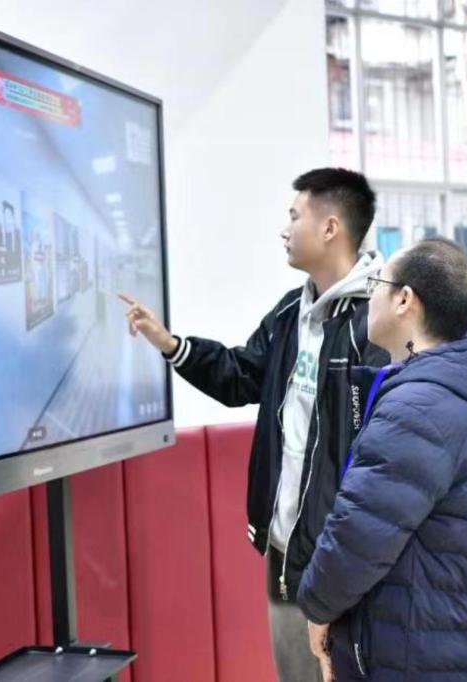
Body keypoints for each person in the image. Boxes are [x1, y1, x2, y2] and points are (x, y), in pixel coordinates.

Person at [121, 168, 389, 681]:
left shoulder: (375, 322)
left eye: (294, 216)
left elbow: (383, 455)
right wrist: (170, 344)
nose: (284, 230)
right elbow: (241, 375)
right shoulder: (291, 313)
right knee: (295, 672)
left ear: (330, 228)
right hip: (285, 550)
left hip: (345, 555)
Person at [297, 238, 467, 681]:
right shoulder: (450, 390)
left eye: (377, 285)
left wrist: (317, 607)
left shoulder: (419, 409)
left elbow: (359, 536)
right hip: (442, 644)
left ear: (405, 299)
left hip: (415, 658)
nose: (369, 298)